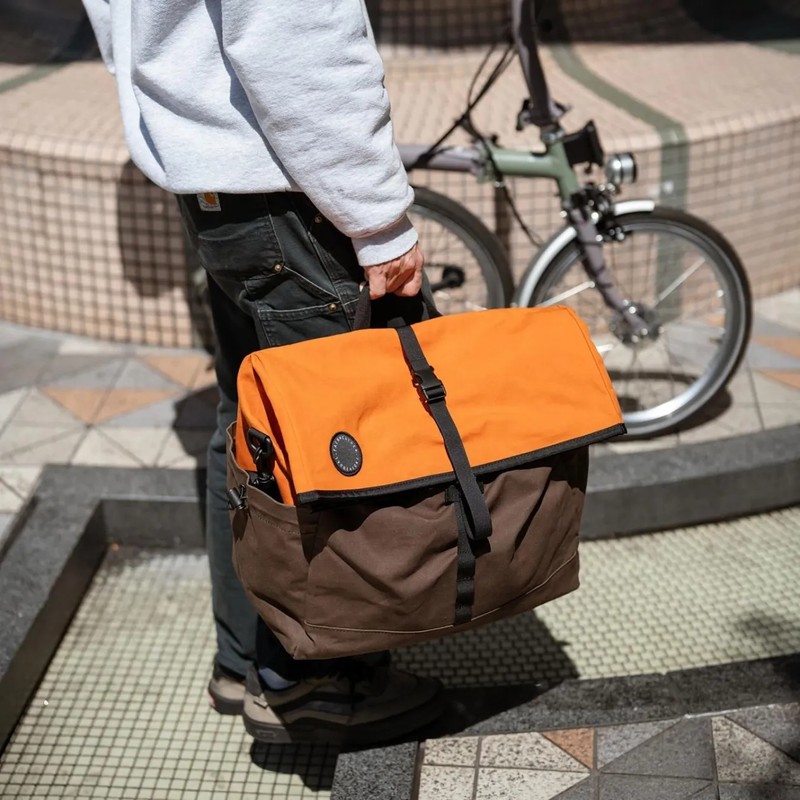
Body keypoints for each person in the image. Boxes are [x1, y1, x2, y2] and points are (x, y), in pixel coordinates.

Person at [81, 0, 443, 744]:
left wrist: (174, 98)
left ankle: (244, 655)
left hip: (214, 189)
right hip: (287, 194)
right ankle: (308, 681)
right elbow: (296, 35)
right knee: (328, 449)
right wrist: (378, 217)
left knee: (248, 431)